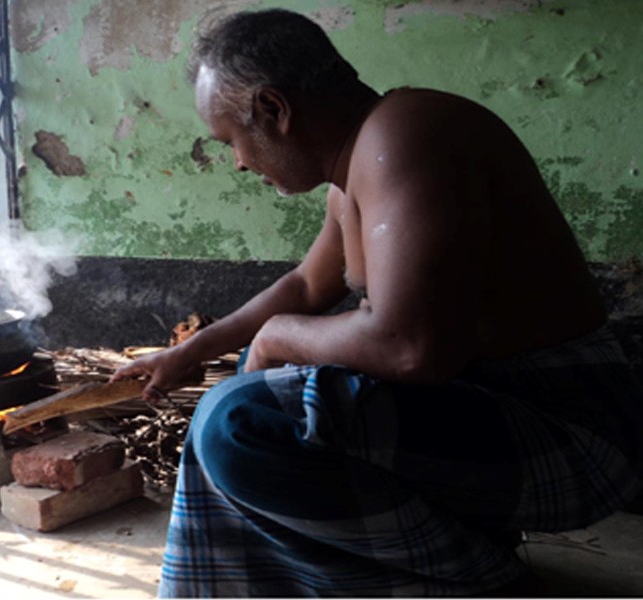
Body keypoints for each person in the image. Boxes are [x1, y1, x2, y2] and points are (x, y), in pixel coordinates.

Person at [111, 8, 643, 597]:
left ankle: (474, 579)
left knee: (239, 422)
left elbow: (410, 347)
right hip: (494, 419)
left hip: (571, 439)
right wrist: (195, 350)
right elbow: (308, 287)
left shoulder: (410, 132)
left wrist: (277, 337)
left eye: (232, 141)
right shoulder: (359, 161)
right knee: (246, 390)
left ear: (273, 110)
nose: (238, 162)